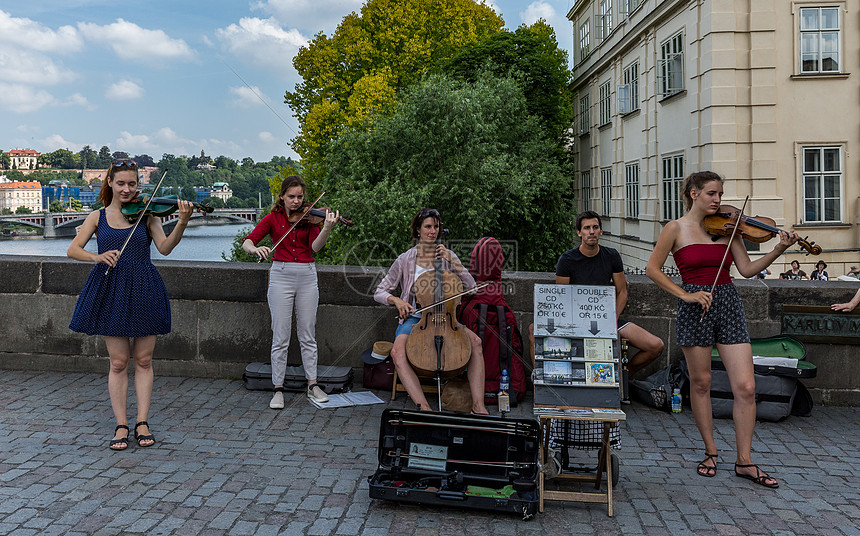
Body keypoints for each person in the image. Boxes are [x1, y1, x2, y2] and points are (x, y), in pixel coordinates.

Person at [646, 170, 799, 488]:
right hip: (694, 307)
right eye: (712, 194)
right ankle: (711, 452)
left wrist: (779, 249)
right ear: (694, 194)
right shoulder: (675, 229)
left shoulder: (730, 229)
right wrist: (686, 294)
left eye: (720, 194)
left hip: (728, 304)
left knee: (746, 387)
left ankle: (745, 461)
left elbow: (746, 269)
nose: (719, 200)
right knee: (700, 384)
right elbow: (652, 269)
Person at [67, 159, 194, 450]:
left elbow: (164, 248)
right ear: (110, 182)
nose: (127, 189)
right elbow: (73, 249)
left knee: (145, 360)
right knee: (119, 362)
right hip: (111, 289)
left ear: (139, 185)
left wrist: (183, 221)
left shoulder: (148, 215)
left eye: (132, 184)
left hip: (143, 287)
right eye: (121, 183)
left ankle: (143, 422)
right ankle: (121, 424)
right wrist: (97, 257)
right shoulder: (97, 217)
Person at [374, 208, 489, 414]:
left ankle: (478, 406)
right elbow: (380, 291)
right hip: (416, 319)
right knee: (397, 352)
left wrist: (454, 262)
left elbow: (472, 288)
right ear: (418, 230)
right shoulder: (405, 259)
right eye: (427, 227)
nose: (432, 231)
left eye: (436, 227)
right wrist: (397, 300)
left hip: (447, 319)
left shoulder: (447, 255)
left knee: (476, 343)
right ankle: (423, 407)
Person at [242, 175, 339, 409]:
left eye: (300, 197)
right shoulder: (272, 219)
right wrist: (256, 249)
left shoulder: (310, 219)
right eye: (292, 197)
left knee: (308, 333)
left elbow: (315, 247)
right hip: (281, 274)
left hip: (307, 273)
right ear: (282, 197)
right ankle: (278, 388)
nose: (296, 201)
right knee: (281, 335)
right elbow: (247, 241)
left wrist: (326, 227)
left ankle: (313, 385)